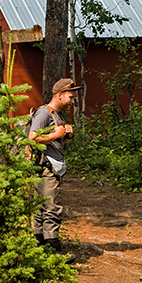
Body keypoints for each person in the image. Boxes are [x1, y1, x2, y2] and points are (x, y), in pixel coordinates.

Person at [29, 78, 82, 254]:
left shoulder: (56, 114)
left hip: (51, 167)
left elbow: (53, 143)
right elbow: (32, 138)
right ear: (59, 95)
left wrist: (64, 137)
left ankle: (40, 247)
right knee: (51, 208)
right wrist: (55, 135)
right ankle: (53, 251)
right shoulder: (44, 113)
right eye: (70, 97)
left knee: (41, 207)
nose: (73, 101)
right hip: (45, 168)